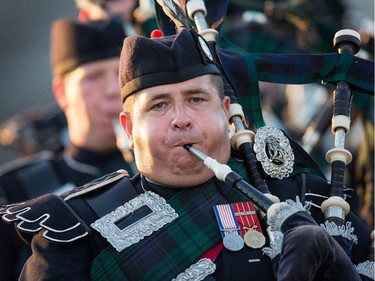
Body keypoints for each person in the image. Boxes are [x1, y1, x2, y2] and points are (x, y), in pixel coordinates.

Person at [1, 28, 372, 280]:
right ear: (129, 129)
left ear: (226, 111)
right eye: (159, 106)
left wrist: (337, 265)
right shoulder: (76, 234)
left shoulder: (302, 191)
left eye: (196, 99)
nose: (181, 119)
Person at [0, 18, 136, 280]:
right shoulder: (14, 189)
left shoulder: (166, 168)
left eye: (121, 74)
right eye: (93, 77)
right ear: (61, 92)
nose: (113, 90)